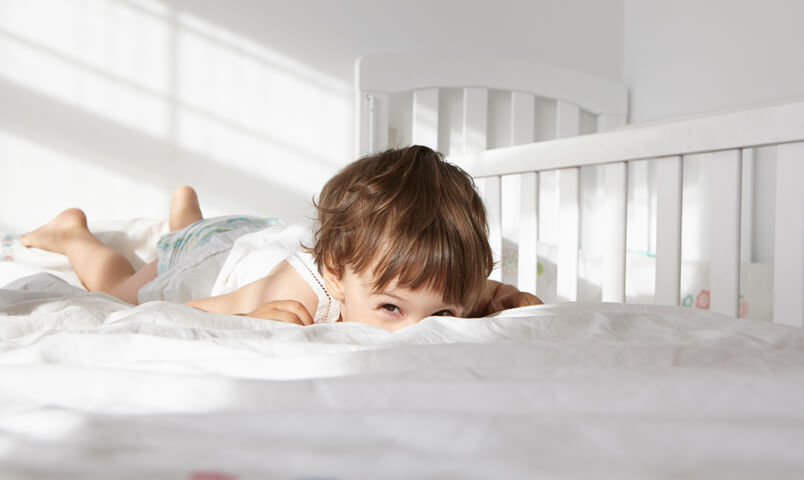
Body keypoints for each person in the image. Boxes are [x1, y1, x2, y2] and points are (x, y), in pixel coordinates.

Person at [21, 145, 542, 330]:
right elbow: (193, 312)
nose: (417, 332)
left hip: (258, 235)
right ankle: (74, 235)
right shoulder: (295, 292)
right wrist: (246, 318)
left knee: (193, 229)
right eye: (390, 309)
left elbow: (479, 295)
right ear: (336, 276)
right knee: (116, 292)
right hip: (216, 255)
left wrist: (502, 299)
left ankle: (186, 213)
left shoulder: (434, 290)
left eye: (443, 315)